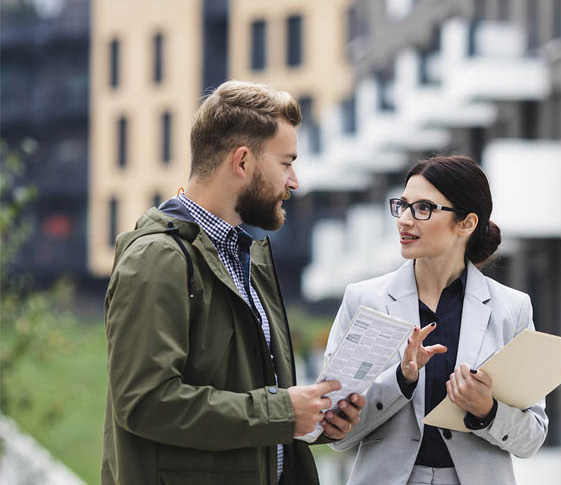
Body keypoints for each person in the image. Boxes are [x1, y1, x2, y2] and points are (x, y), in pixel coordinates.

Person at [101, 80, 365, 485]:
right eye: (286, 163)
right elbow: (145, 403)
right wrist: (282, 412)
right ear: (242, 162)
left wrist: (311, 417)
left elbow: (250, 404)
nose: (294, 182)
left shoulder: (249, 257)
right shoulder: (157, 259)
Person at [324, 156, 549, 484]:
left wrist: (486, 410)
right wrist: (400, 380)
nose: (404, 219)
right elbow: (336, 432)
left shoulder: (511, 309)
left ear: (466, 223)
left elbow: (532, 438)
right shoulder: (364, 300)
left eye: (423, 208)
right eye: (402, 205)